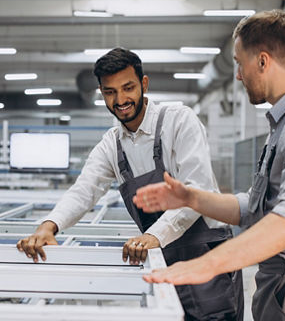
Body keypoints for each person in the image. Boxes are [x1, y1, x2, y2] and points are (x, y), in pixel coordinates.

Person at [16, 48, 244, 321]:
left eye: (128, 88)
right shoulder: (111, 145)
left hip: (207, 255)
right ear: (102, 93)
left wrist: (153, 236)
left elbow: (198, 189)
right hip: (162, 258)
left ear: (144, 84)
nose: (121, 99)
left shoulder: (179, 121)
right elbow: (84, 190)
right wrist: (48, 225)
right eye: (110, 92)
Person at [133, 9, 285, 321]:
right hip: (282, 281)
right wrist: (191, 198)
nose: (238, 74)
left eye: (240, 63)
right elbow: (255, 207)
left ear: (263, 61)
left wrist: (205, 265)